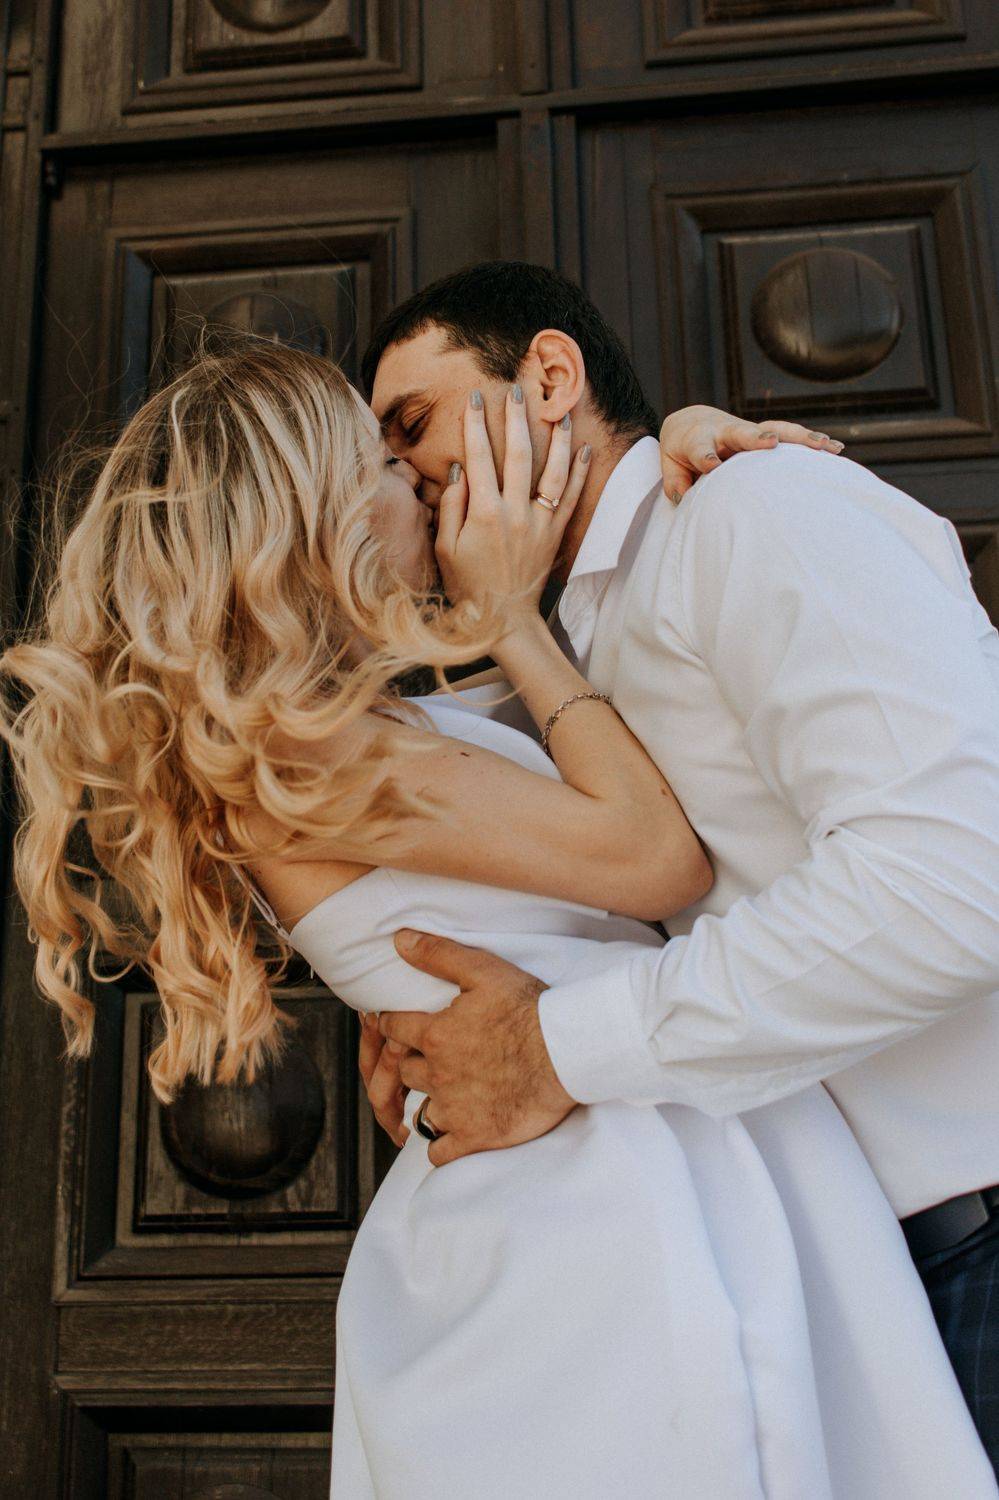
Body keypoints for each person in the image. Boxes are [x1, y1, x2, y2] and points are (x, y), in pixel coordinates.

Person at [3, 338, 992, 1499]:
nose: (419, 486)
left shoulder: (342, 731)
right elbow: (656, 857)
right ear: (317, 516)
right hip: (588, 1202)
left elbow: (603, 739)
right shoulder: (311, 754)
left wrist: (661, 448)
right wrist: (510, 616)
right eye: (383, 462)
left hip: (610, 1154)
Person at [360, 259, 999, 1476]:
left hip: (975, 1231)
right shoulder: (562, 650)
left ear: (552, 378)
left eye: (415, 423)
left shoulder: (752, 515)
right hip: (844, 1278)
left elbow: (955, 883)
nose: (404, 475)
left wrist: (553, 1050)